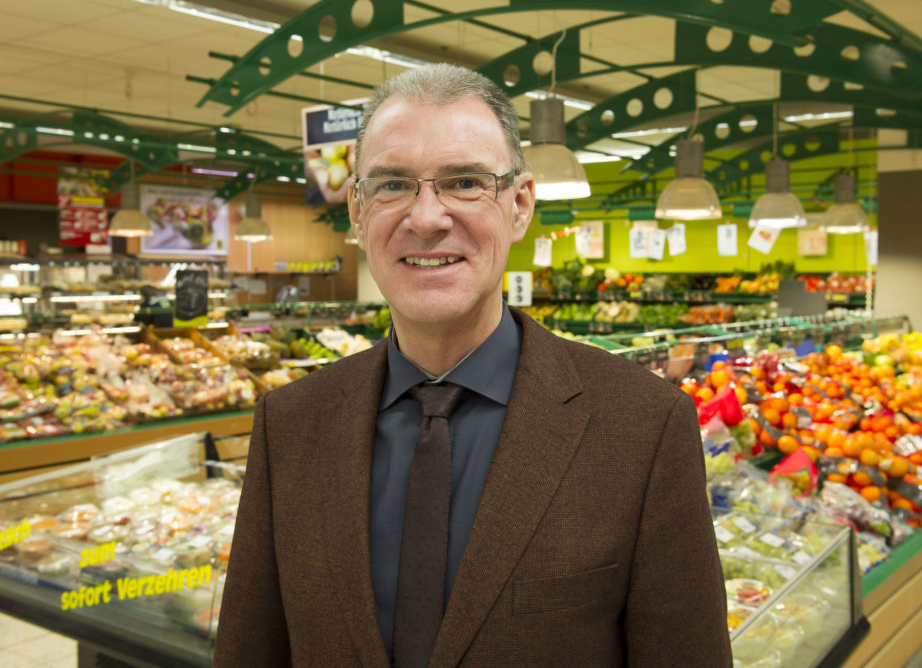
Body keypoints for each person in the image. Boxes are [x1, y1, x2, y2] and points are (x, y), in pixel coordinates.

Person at [214, 63, 731, 668]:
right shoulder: (292, 422)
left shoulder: (643, 425)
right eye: (391, 185)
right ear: (356, 212)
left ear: (519, 205)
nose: (427, 217)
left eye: (463, 182)